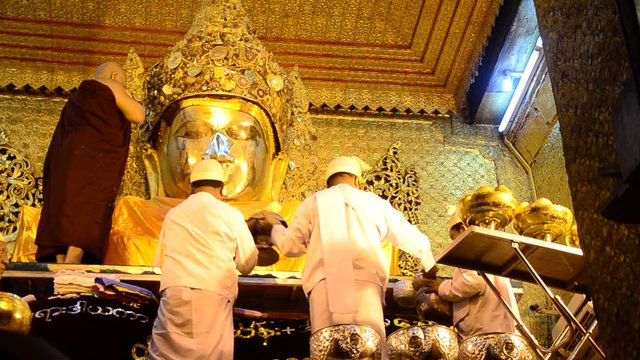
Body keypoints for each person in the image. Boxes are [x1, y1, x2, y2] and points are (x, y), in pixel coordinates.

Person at [263, 155, 438, 356]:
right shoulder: (374, 202)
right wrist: (429, 263)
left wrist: (274, 227)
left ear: (328, 182)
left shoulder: (314, 201)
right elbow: (411, 236)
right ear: (356, 180)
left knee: (329, 348)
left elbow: (291, 246)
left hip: (325, 286)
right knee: (369, 347)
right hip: (367, 286)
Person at [34, 61, 145, 264]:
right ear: (114, 76)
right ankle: (74, 257)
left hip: (66, 158)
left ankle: (59, 259)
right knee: (89, 203)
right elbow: (138, 115)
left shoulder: (76, 98)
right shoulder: (107, 85)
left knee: (65, 205)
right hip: (92, 159)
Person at [149, 159, 259, 360]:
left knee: (165, 354)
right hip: (212, 293)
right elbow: (247, 263)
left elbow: (159, 264)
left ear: (192, 187)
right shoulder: (230, 213)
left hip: (175, 292)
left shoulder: (174, 214)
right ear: (221, 187)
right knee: (210, 354)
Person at [420, 211, 521, 339]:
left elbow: (473, 282)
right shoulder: (489, 250)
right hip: (497, 328)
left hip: (484, 329)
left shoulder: (469, 250)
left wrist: (441, 287)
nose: (454, 243)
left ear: (463, 228)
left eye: (454, 237)